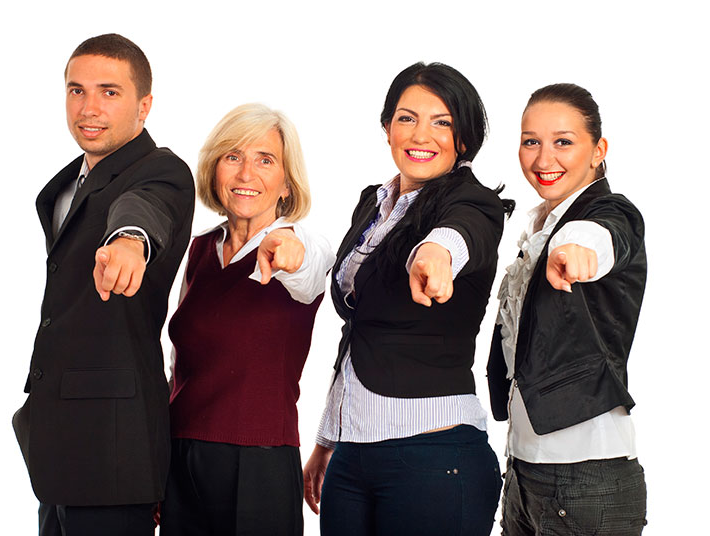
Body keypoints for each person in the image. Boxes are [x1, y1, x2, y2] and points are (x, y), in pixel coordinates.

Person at [302, 62, 509, 535]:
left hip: (433, 455)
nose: (422, 134)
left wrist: (436, 254)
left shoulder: (472, 201)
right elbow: (359, 328)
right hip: (352, 455)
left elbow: (460, 234)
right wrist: (328, 437)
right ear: (387, 126)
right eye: (407, 117)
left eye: (443, 122)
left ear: (464, 138)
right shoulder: (373, 204)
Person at [12, 34, 195, 536]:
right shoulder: (67, 183)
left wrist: (129, 242)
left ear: (144, 105)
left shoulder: (161, 170)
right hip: (57, 448)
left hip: (115, 451)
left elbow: (142, 208)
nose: (89, 108)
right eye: (77, 90)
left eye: (109, 92)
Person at [157, 103, 335, 535]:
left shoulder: (300, 245)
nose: (245, 174)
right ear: (214, 168)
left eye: (265, 160)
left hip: (258, 463)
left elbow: (310, 267)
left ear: (286, 183)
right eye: (232, 156)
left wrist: (290, 250)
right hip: (181, 458)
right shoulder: (199, 249)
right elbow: (176, 363)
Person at [486, 83, 647, 535]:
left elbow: (608, 231)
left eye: (563, 142)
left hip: (586, 478)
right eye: (530, 141)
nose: (543, 159)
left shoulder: (605, 213)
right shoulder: (541, 223)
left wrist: (579, 250)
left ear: (599, 150)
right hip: (522, 469)